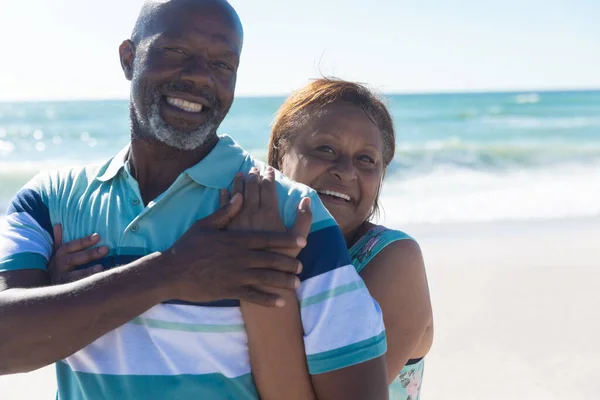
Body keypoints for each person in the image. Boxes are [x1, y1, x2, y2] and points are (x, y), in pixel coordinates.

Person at [0, 1, 389, 399]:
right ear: (128, 58)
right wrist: (171, 273)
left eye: (222, 64)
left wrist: (66, 304)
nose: (200, 77)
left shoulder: (288, 213)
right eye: (177, 51)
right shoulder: (49, 202)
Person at [247, 78, 434, 400]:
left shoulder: (392, 259)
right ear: (278, 158)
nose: (346, 171)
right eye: (326, 149)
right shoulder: (239, 242)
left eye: (366, 159)